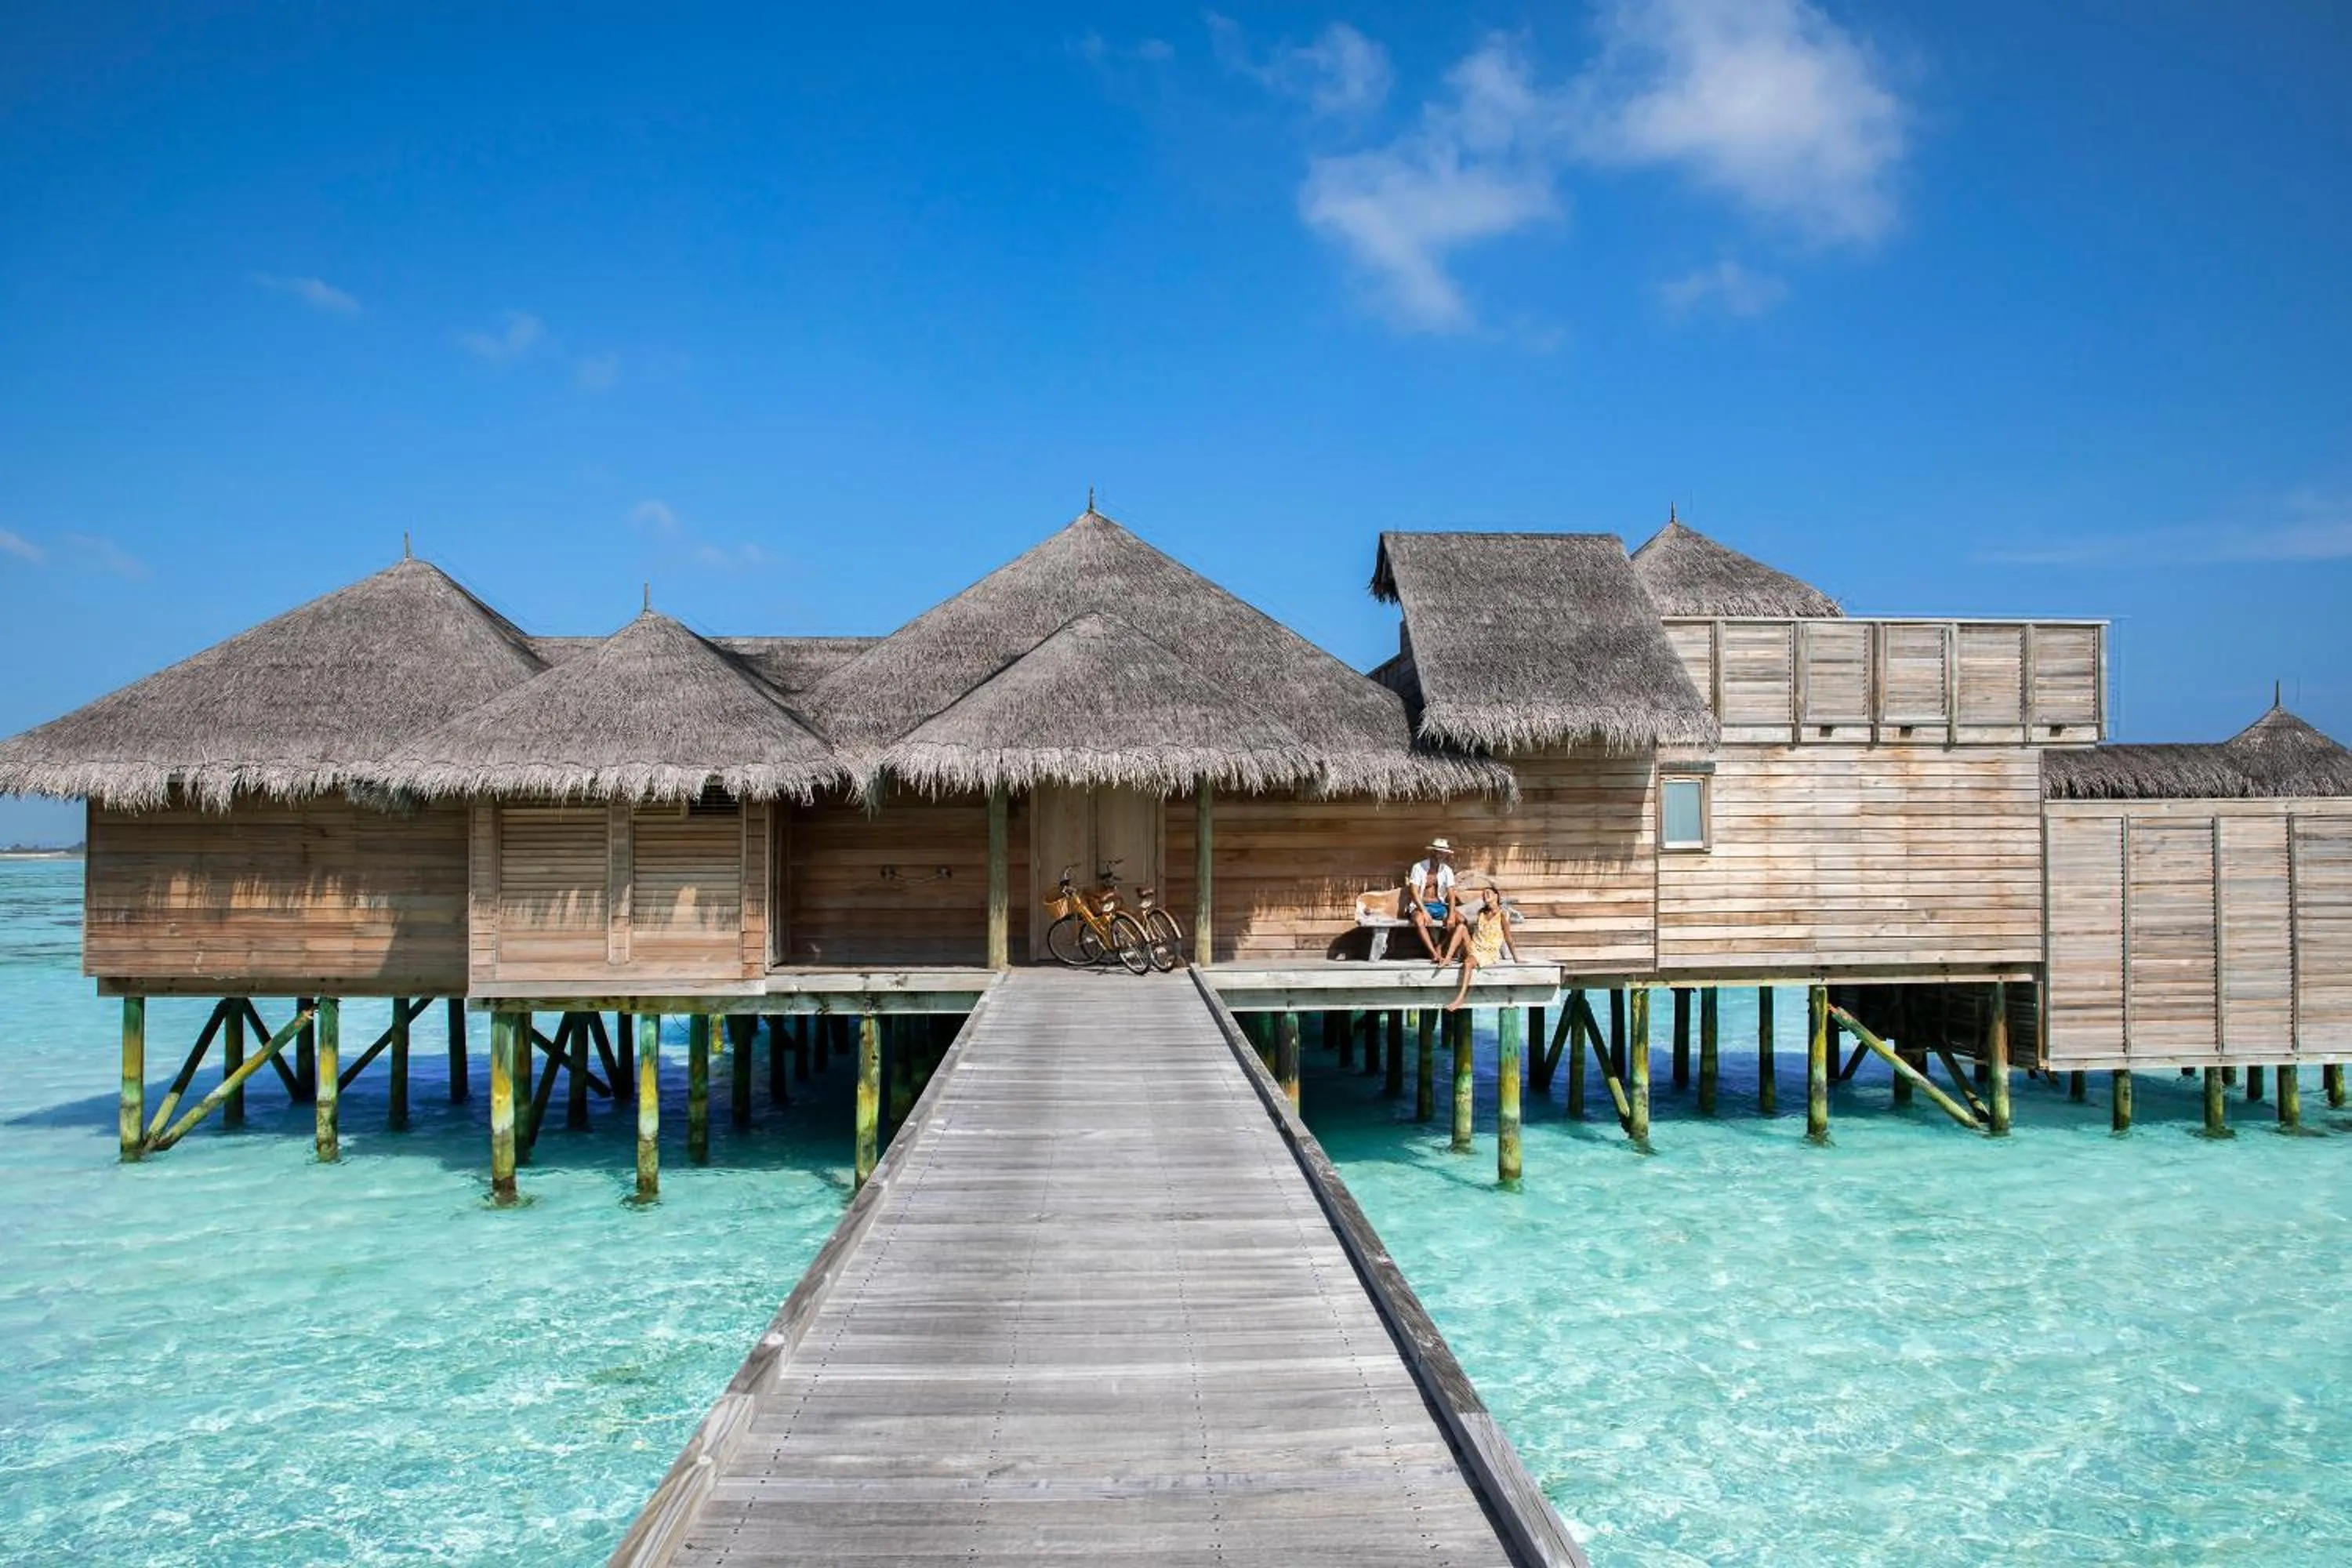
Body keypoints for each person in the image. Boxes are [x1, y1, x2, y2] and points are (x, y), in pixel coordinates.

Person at [1442, 884, 1511, 1011]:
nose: (1485, 895)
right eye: (1483, 894)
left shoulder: (1502, 915)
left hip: (1487, 952)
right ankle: (1447, 959)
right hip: (1474, 946)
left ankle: (1460, 998)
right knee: (1461, 927)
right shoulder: (1482, 913)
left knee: (1468, 963)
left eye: (1488, 893)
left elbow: (1508, 938)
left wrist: (1516, 958)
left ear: (1496, 896)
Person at [1404, 838, 1459, 960]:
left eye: (1444, 853)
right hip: (1420, 905)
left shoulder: (1447, 870)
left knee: (1459, 920)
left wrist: (1451, 915)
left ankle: (1439, 946)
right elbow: (1413, 892)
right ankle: (1433, 953)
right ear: (1433, 852)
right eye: (1439, 852)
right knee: (1419, 920)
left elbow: (1451, 895)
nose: (1441, 855)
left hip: (1439, 905)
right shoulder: (1419, 867)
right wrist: (1424, 911)